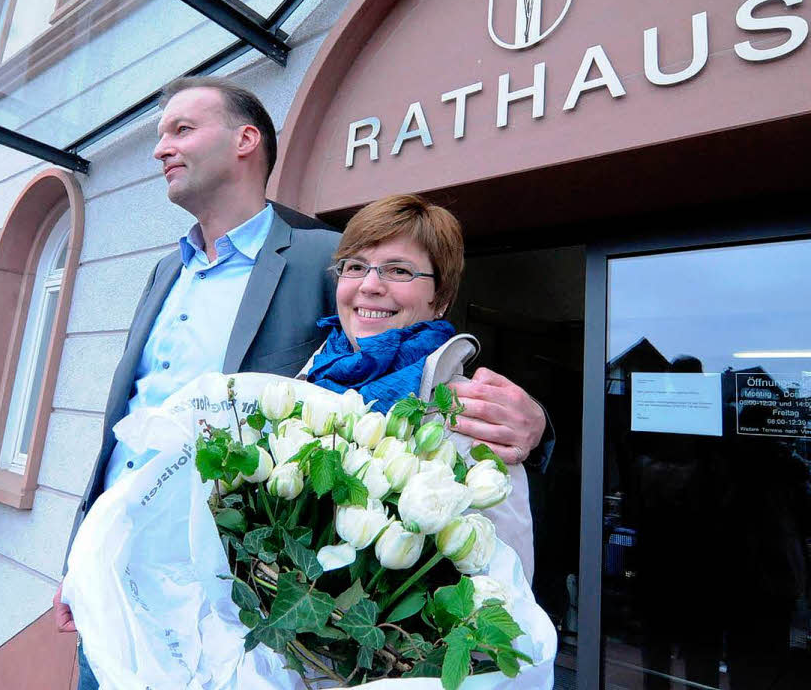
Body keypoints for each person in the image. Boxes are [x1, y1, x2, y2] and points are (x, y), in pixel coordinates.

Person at [57, 77, 549, 689]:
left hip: (238, 615)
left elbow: (416, 368)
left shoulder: (318, 255)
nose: (369, 283)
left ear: (245, 140)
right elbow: (127, 419)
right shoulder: (166, 270)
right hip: (121, 576)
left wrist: (536, 430)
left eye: (181, 129)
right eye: (361, 268)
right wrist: (80, 554)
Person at [298, 194, 534, 578]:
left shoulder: (473, 414)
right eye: (355, 267)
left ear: (439, 298)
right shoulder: (303, 384)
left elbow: (504, 585)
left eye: (399, 271)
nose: (370, 285)